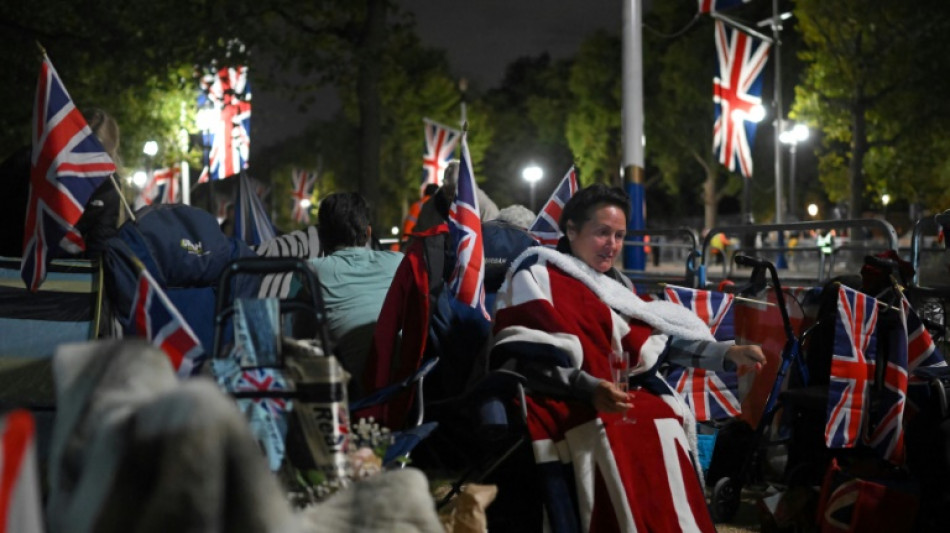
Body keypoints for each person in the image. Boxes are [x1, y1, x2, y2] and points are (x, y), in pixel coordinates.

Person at [490, 184, 765, 532]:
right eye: (602, 233)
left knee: (666, 415)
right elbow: (525, 352)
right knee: (619, 428)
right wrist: (588, 388)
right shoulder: (538, 272)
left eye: (619, 235)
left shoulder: (615, 282)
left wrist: (725, 352)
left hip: (615, 389)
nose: (613, 245)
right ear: (571, 230)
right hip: (560, 392)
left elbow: (649, 339)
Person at [308, 192, 403, 399]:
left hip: (350, 396)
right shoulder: (398, 263)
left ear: (321, 236)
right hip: (405, 390)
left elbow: (297, 336)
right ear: (368, 232)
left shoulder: (309, 272)